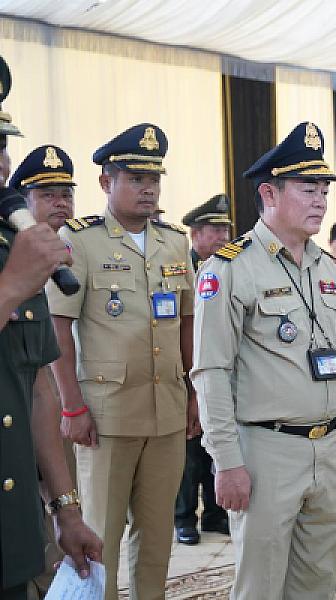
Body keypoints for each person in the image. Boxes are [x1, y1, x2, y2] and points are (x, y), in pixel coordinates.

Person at [192, 122, 336, 599]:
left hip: (325, 448)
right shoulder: (229, 268)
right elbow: (211, 372)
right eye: (308, 189)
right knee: (260, 585)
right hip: (266, 451)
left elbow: (335, 362)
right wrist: (226, 462)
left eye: (324, 189)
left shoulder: (327, 267)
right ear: (269, 192)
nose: (321, 200)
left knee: (318, 583)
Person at [46, 123, 199, 600]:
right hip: (105, 414)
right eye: (135, 178)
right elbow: (59, 327)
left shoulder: (175, 242)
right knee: (100, 539)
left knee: (156, 538)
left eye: (154, 178)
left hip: (168, 410)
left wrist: (194, 394)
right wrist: (71, 406)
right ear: (106, 183)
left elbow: (188, 322)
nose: (148, 188)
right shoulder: (81, 241)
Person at [0, 58, 102, 599]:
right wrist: (10, 287)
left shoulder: (14, 249)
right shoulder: (18, 264)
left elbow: (37, 387)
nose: (0, 164)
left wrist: (66, 509)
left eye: (0, 147)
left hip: (14, 526)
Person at [8, 142, 83, 595]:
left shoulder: (46, 258)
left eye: (65, 193)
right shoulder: (18, 261)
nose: (61, 203)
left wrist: (67, 509)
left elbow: (40, 375)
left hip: (38, 426)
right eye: (47, 193)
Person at [173, 193, 233, 545]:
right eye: (214, 230)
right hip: (186, 371)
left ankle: (214, 513)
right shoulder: (181, 269)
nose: (223, 237)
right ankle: (184, 518)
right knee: (187, 451)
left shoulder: (231, 267)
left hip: (222, 371)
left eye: (226, 229)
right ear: (195, 235)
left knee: (217, 445)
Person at [9, 144, 76, 231]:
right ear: (23, 202)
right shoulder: (10, 243)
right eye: (49, 195)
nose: (62, 203)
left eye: (66, 196)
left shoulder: (83, 242)